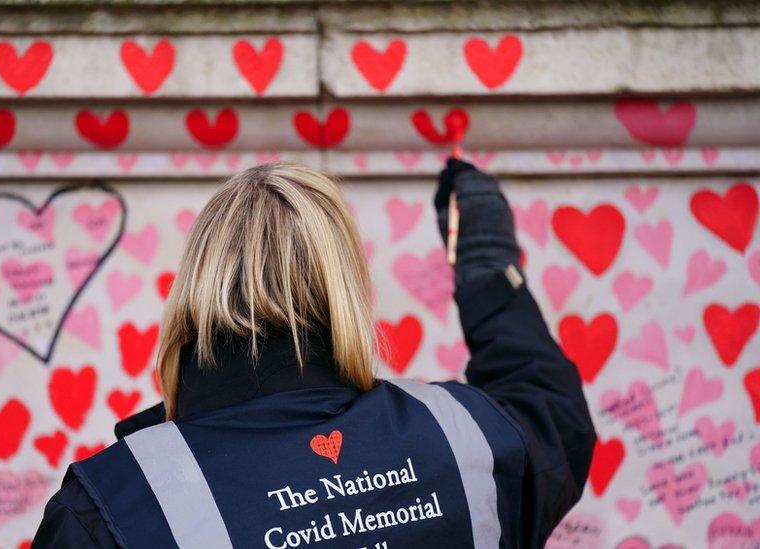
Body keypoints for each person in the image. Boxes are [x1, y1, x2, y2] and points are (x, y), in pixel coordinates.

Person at [32, 159, 596, 548]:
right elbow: (553, 413)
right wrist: (486, 258)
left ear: (195, 289)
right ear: (344, 284)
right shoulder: (468, 440)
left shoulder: (113, 506)